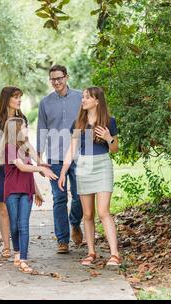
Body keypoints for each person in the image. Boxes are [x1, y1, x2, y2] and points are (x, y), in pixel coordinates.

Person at [58, 86, 121, 268]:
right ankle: (91, 252)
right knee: (87, 213)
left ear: (97, 101)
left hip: (102, 165)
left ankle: (114, 254)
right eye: (83, 97)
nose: (83, 100)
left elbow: (115, 149)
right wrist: (63, 172)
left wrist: (109, 137)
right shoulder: (79, 122)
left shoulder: (109, 121)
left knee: (103, 211)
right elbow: (72, 150)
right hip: (84, 166)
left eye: (87, 97)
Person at [0, 117, 58, 273]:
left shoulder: (26, 147)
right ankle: (17, 251)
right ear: (15, 130)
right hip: (11, 191)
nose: (26, 129)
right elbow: (22, 168)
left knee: (23, 224)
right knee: (15, 225)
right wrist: (41, 169)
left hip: (26, 191)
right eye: (24, 127)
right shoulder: (9, 148)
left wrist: (36, 190)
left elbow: (33, 167)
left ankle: (23, 259)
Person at [36, 65, 84, 254]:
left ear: (66, 77)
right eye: (53, 79)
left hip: (79, 154)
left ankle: (75, 222)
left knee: (80, 196)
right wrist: (39, 158)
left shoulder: (80, 97)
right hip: (55, 157)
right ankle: (62, 240)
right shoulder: (45, 103)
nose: (56, 82)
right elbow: (42, 130)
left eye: (59, 78)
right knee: (59, 198)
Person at [0, 86, 28, 258]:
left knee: (17, 208)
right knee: (3, 209)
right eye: (16, 97)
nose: (19, 100)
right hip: (2, 168)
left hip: (18, 168)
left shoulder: (22, 119)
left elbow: (26, 143)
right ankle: (6, 245)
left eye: (20, 97)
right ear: (7, 99)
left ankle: (19, 244)